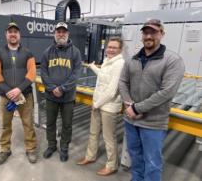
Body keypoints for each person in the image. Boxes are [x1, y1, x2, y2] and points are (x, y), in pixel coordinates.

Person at [118, 19, 185, 181]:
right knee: (135, 156)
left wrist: (137, 109)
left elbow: (167, 91)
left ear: (162, 34)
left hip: (153, 123)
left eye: (153, 32)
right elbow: (123, 82)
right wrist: (128, 104)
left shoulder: (172, 60)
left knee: (153, 162)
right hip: (131, 120)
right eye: (146, 32)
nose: (149, 36)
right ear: (142, 35)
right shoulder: (133, 59)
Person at [77, 37, 125, 176]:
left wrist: (96, 104)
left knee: (109, 137)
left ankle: (112, 165)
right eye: (109, 47)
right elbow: (104, 77)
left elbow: (112, 90)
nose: (110, 49)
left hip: (108, 107)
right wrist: (92, 67)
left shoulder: (119, 64)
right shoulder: (107, 61)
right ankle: (90, 157)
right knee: (93, 132)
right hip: (98, 104)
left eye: (114, 48)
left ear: (120, 50)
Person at [0, 22, 37, 165]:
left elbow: (32, 74)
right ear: (6, 35)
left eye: (15, 32)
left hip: (25, 96)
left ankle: (30, 149)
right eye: (10, 32)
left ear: (19, 35)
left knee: (28, 123)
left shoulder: (28, 53)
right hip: (6, 97)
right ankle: (5, 149)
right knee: (6, 125)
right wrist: (8, 91)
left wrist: (19, 89)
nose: (13, 34)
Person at [41, 22, 82, 162]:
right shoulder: (47, 52)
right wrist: (53, 88)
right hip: (51, 96)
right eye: (58, 32)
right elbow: (44, 73)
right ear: (55, 34)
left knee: (67, 124)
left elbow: (76, 74)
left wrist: (62, 88)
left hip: (68, 97)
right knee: (50, 123)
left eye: (64, 32)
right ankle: (52, 145)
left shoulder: (75, 52)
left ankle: (64, 148)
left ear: (68, 34)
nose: (61, 34)